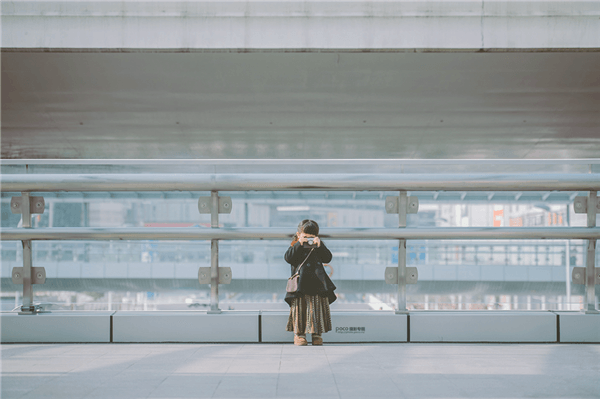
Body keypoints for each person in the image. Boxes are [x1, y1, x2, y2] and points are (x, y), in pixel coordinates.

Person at [284, 220, 337, 346]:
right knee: (300, 309)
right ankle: (299, 334)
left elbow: (327, 258)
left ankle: (316, 334)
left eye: (311, 236)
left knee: (316, 309)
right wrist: (299, 243)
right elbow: (288, 258)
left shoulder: (317, 246)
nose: (309, 239)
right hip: (300, 284)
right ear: (298, 234)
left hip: (317, 283)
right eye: (306, 236)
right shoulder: (295, 245)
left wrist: (320, 245)